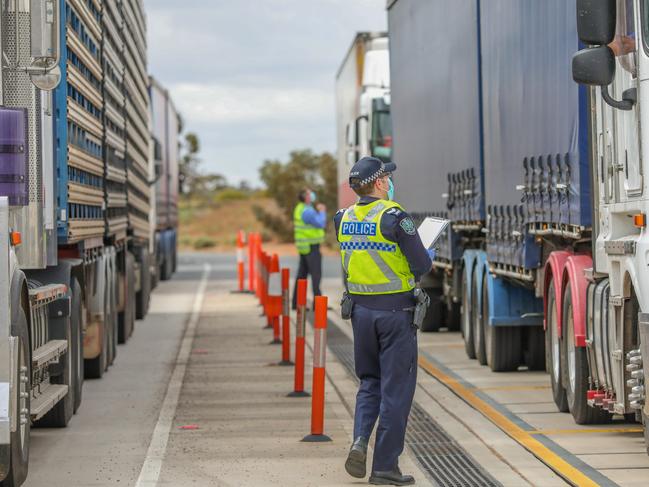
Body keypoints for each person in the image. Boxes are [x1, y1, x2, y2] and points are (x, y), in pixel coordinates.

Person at [334, 156, 434, 486]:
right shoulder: (394, 218)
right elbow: (420, 265)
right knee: (396, 391)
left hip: (361, 314)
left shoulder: (342, 218)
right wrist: (425, 251)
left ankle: (360, 440)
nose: (391, 182)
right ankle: (384, 467)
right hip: (396, 316)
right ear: (379, 183)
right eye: (387, 178)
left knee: (369, 384)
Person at [292, 188, 327, 309]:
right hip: (311, 247)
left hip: (304, 247)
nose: (311, 194)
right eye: (309, 193)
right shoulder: (307, 211)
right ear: (305, 197)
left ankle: (296, 303)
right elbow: (321, 223)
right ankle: (317, 304)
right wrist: (322, 211)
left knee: (301, 276)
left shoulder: (300, 208)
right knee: (316, 276)